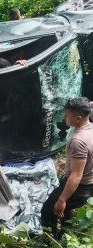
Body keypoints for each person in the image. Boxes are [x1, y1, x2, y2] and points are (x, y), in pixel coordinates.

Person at [41, 97, 93, 238]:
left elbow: (76, 176)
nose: (64, 117)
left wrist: (62, 200)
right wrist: (69, 161)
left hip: (79, 187)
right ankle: (66, 234)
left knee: (49, 210)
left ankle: (50, 240)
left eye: (67, 114)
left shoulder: (78, 141)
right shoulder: (90, 127)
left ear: (78, 118)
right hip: (88, 184)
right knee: (66, 211)